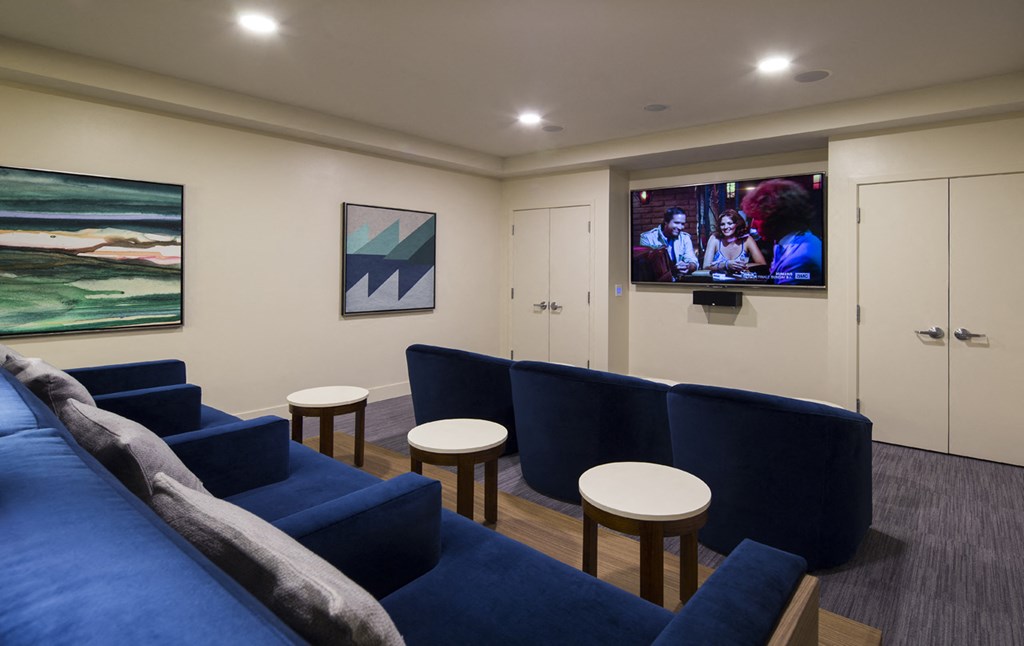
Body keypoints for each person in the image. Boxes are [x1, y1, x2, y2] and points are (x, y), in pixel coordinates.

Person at [741, 179, 822, 285]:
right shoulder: (786, 241)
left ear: (777, 217)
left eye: (757, 218)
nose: (753, 225)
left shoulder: (800, 258)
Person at [639, 207, 698, 279]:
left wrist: (688, 266)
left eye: (682, 224)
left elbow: (693, 261)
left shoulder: (685, 238)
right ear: (666, 222)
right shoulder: (647, 238)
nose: (680, 227)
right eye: (676, 223)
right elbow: (645, 270)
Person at [701, 209, 767, 275]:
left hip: (741, 283)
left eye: (730, 223)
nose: (725, 227)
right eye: (722, 224)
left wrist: (740, 266)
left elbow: (762, 264)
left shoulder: (747, 239)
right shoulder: (714, 239)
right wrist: (726, 265)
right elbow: (706, 267)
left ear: (737, 224)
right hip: (718, 284)